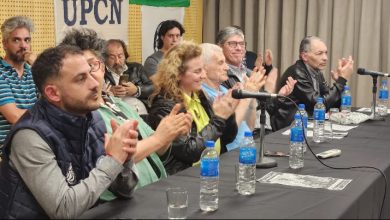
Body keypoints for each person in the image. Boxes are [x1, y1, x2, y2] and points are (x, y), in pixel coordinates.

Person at [0, 45, 140, 219]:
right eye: (81, 78)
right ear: (53, 93)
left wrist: (125, 160)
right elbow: (63, 209)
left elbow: (125, 192)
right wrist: (113, 160)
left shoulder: (92, 118)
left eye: (90, 72)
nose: (95, 83)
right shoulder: (30, 137)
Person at [60, 28, 192, 191]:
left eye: (93, 66)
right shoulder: (80, 116)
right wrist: (158, 138)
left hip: (155, 191)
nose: (90, 77)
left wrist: (169, 134)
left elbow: (157, 153)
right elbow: (111, 163)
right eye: (80, 72)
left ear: (102, 67)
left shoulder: (120, 104)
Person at [148, 41, 239, 175]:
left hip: (212, 169)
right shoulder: (166, 106)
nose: (203, 75)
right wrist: (219, 119)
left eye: (203, 69)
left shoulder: (199, 95)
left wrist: (228, 113)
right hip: (185, 177)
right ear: (178, 74)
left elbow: (227, 138)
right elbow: (190, 152)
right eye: (197, 71)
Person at [216, 26, 296, 134]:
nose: (239, 48)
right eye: (233, 44)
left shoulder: (249, 73)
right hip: (245, 135)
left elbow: (265, 108)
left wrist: (280, 96)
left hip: (265, 130)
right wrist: (254, 92)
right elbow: (233, 114)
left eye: (242, 44)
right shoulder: (220, 76)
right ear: (220, 47)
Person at [273, 36, 354, 131]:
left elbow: (331, 104)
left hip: (308, 123)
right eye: (319, 53)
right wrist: (341, 80)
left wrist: (340, 83)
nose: (325, 58)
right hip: (289, 127)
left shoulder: (317, 72)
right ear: (304, 56)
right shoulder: (297, 73)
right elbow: (319, 104)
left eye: (326, 53)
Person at [200, 43, 265, 150]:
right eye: (221, 63)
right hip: (228, 155)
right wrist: (247, 95)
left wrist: (252, 94)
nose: (226, 67)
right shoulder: (204, 94)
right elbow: (227, 132)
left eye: (225, 62)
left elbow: (250, 125)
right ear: (203, 67)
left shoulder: (224, 90)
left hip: (247, 148)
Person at [0, 16, 38, 153]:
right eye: (17, 40)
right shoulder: (0, 73)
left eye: (27, 40)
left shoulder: (33, 71)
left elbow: (56, 100)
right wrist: (47, 114)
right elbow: (15, 116)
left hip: (35, 144)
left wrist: (39, 67)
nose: (23, 46)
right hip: (9, 150)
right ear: (4, 44)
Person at [103, 39, 153, 115]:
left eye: (120, 56)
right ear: (105, 58)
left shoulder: (136, 68)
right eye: (112, 57)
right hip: (116, 114)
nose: (117, 61)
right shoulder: (101, 73)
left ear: (125, 55)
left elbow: (153, 87)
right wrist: (110, 92)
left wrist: (137, 90)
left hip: (139, 111)